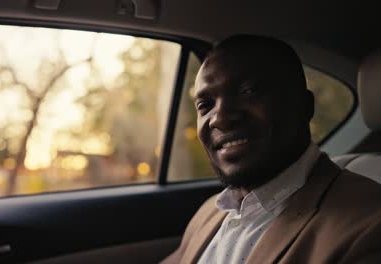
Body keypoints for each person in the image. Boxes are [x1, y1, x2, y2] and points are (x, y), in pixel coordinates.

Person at [161, 35, 381, 264]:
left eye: (248, 91)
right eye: (205, 105)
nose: (220, 119)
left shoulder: (369, 226)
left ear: (304, 106)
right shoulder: (210, 212)